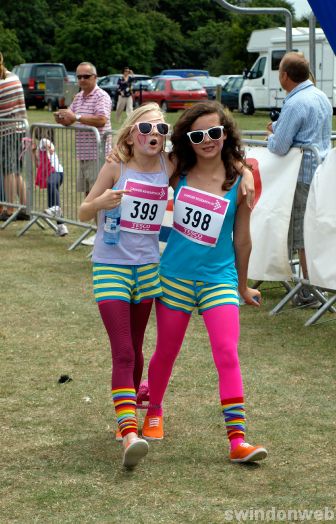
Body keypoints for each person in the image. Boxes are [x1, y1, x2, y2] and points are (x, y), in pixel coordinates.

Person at [141, 101, 267, 464]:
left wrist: (242, 287)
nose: (208, 140)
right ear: (188, 140)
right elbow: (136, 167)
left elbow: (242, 239)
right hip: (174, 277)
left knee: (227, 353)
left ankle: (238, 439)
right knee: (166, 350)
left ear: (225, 133)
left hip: (218, 279)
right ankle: (154, 410)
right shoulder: (176, 170)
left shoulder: (239, 180)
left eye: (214, 132)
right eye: (198, 135)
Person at [78, 103, 173, 469]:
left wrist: (243, 173)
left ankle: (129, 412)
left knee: (136, 346)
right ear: (132, 133)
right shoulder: (115, 166)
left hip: (148, 269)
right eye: (146, 128)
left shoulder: (169, 165)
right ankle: (129, 431)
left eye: (161, 130)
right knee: (123, 351)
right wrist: (100, 201)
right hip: (111, 266)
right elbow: (85, 210)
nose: (154, 135)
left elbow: (209, 162)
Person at [266, 52, 332, 306]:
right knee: (318, 230)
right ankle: (317, 285)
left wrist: (271, 137)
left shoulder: (295, 102)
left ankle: (308, 291)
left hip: (301, 174)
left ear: (284, 75)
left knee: (302, 234)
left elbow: (281, 146)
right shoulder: (320, 96)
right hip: (321, 172)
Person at [54, 61, 112, 196]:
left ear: (95, 77)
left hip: (99, 155)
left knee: (97, 196)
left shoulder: (101, 96)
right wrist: (61, 119)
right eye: (78, 77)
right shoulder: (79, 97)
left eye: (86, 76)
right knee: (88, 196)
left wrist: (76, 117)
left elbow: (102, 120)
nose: (82, 80)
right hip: (84, 155)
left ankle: (101, 219)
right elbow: (71, 118)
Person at [0, 52, 29, 221]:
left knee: (8, 170)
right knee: (16, 171)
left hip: (6, 131)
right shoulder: (13, 77)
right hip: (20, 129)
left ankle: (10, 209)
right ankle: (25, 207)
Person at [33, 135, 68, 237]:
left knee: (51, 186)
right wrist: (33, 151)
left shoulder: (44, 140)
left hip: (55, 172)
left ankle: (57, 209)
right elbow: (38, 164)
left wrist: (50, 148)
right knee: (52, 204)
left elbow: (48, 145)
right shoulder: (40, 145)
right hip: (54, 174)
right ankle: (61, 227)